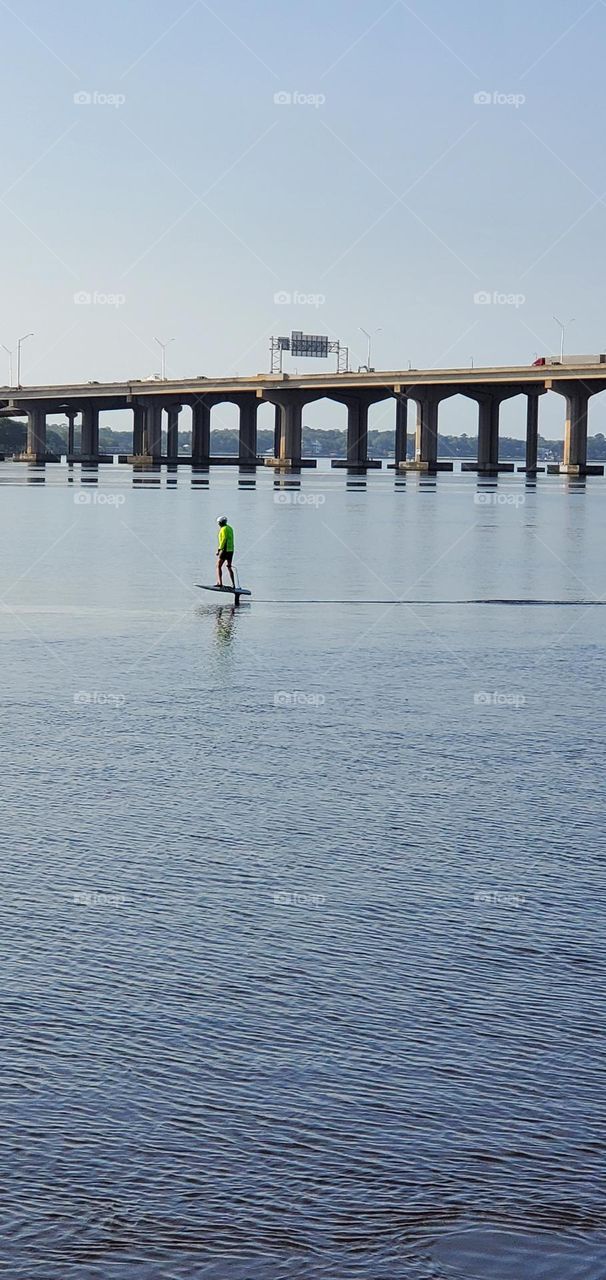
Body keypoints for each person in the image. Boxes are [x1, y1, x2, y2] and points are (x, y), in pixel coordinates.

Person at [215, 516, 236, 588]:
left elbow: (224, 539)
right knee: (229, 567)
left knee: (218, 566)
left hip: (225, 550)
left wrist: (219, 549)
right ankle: (233, 585)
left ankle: (220, 583)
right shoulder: (230, 528)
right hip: (231, 550)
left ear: (220, 523)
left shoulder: (223, 529)